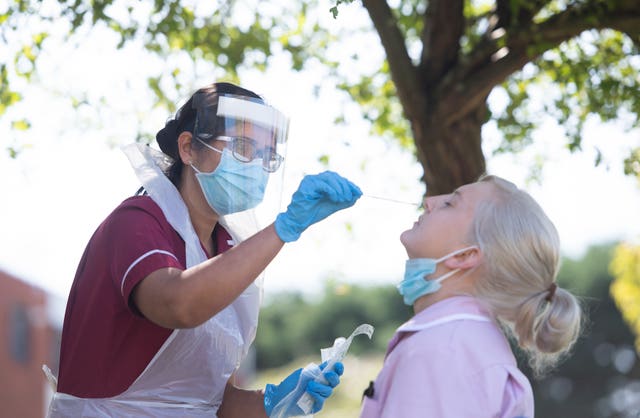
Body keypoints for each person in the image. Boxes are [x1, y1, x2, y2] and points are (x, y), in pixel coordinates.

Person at [45, 81, 362, 417]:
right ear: (187, 148)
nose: (255, 165)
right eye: (242, 146)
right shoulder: (138, 222)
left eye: (266, 156)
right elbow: (178, 304)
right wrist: (285, 228)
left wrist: (275, 401)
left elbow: (209, 404)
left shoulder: (225, 248)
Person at [359, 175, 582, 418]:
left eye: (450, 203)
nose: (429, 201)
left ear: (465, 256)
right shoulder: (468, 343)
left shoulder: (442, 351)